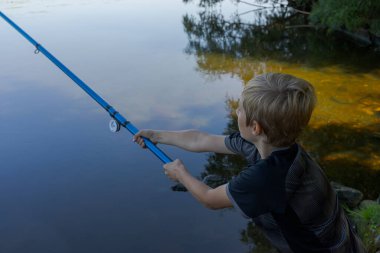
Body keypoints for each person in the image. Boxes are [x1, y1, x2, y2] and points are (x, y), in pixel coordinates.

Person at [133, 73, 365, 253]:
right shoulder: (274, 144)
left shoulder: (266, 178)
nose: (236, 110)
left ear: (255, 127)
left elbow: (210, 199)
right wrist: (157, 135)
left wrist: (180, 173)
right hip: (343, 239)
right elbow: (201, 139)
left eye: (240, 109)